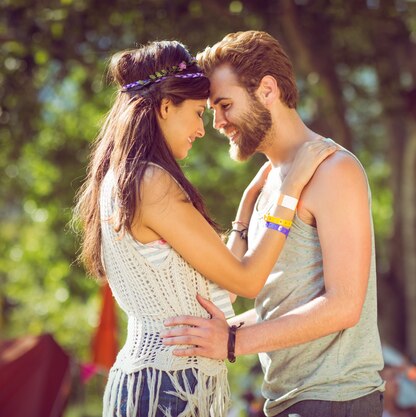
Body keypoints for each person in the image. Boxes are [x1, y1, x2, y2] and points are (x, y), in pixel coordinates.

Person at [73, 40, 336, 417]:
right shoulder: (152, 183)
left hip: (159, 382)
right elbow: (247, 284)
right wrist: (290, 191)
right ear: (166, 107)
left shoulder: (125, 178)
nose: (202, 129)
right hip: (168, 386)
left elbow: (224, 281)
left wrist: (244, 213)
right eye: (198, 112)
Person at [161, 30, 386, 417]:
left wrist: (232, 343)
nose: (217, 122)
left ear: (267, 90)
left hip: (334, 398)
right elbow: (281, 303)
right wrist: (225, 332)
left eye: (225, 104)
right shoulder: (271, 181)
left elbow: (345, 305)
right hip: (289, 400)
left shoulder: (334, 170)